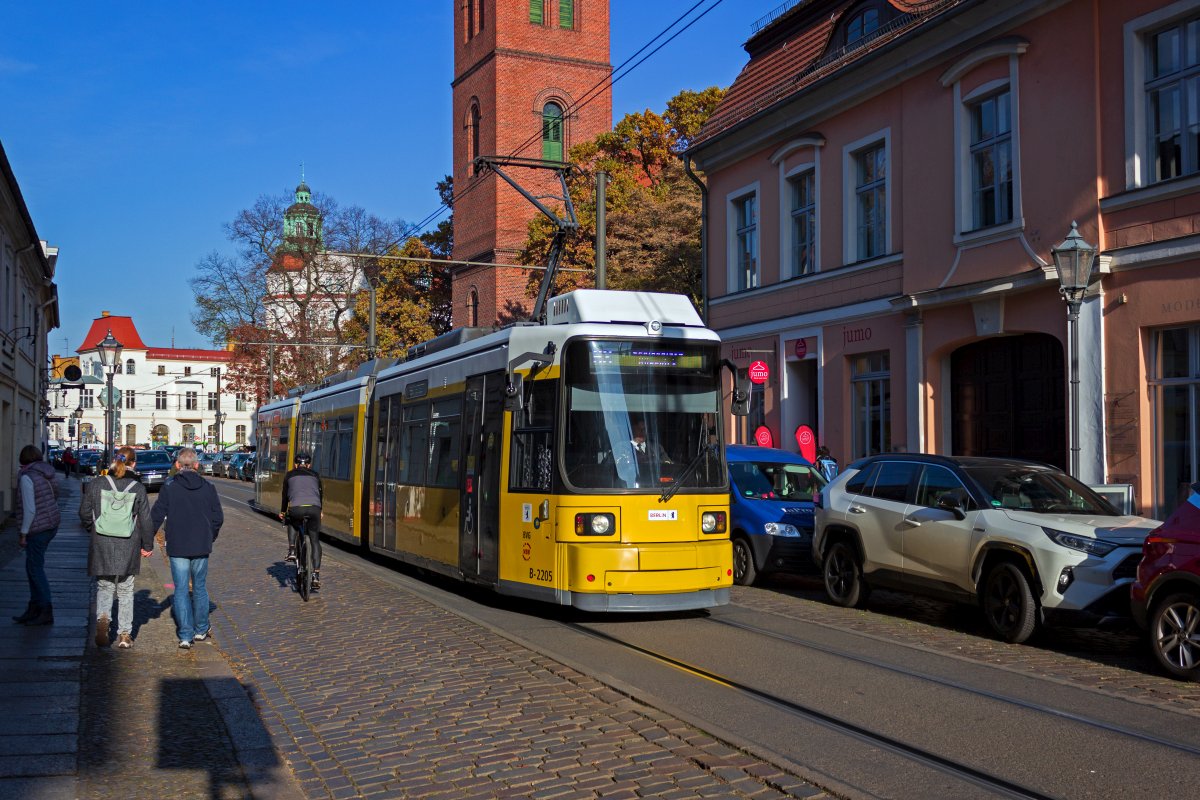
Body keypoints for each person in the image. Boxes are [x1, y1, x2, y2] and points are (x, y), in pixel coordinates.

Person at [79, 446, 155, 648]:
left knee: (104, 586)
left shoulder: (97, 484)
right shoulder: (137, 487)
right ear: (134, 464)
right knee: (125, 590)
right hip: (127, 543)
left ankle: (103, 618)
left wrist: (92, 529)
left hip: (102, 541)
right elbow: (146, 520)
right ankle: (124, 635)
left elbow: (84, 512)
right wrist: (147, 545)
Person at [151, 447, 223, 649]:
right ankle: (201, 629)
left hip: (178, 545)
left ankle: (185, 635)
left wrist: (146, 540)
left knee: (181, 590)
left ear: (177, 465)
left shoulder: (169, 487)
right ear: (197, 465)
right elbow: (218, 517)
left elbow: (156, 515)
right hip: (201, 544)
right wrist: (211, 536)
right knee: (199, 587)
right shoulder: (208, 487)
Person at [12, 446, 61, 626]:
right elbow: (55, 495)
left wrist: (23, 533)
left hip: (37, 528)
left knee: (35, 569)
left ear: (22, 459)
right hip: (50, 523)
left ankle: (45, 609)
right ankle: (34, 607)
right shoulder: (45, 473)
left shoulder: (27, 477)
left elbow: (29, 509)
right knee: (32, 566)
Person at [279, 452, 323, 590]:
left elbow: (285, 496)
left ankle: (292, 550)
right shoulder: (315, 475)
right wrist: (320, 510)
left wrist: (283, 511)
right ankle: (315, 575)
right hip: (314, 508)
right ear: (309, 465)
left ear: (295, 464)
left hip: (296, 508)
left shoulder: (289, 475)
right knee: (315, 541)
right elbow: (320, 493)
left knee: (292, 521)